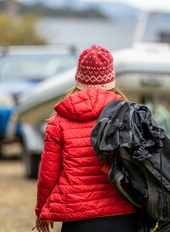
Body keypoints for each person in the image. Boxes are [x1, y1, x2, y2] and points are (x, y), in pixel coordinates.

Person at [34, 45, 138, 232]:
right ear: (110, 79)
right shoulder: (129, 115)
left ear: (79, 78)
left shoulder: (59, 122)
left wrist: (41, 209)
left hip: (78, 219)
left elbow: (47, 176)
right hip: (125, 216)